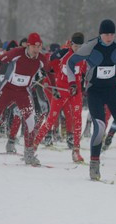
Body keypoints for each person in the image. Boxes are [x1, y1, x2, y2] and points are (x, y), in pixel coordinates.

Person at [67, 19, 116, 180]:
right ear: (100, 34)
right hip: (95, 90)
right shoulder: (91, 46)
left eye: (111, 34)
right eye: (106, 34)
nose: (109, 37)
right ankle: (94, 166)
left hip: (112, 89)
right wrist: (72, 82)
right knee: (100, 127)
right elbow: (71, 61)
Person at [0, 33, 55, 165]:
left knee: (30, 121)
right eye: (34, 47)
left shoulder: (41, 58)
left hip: (23, 92)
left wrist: (53, 86)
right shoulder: (17, 52)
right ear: (28, 45)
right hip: (8, 89)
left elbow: (50, 70)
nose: (37, 50)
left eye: (39, 47)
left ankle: (29, 154)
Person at [33, 33, 86, 162]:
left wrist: (84, 84)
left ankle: (76, 151)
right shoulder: (62, 54)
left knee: (77, 119)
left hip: (75, 91)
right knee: (51, 119)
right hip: (61, 89)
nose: (77, 49)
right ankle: (33, 146)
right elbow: (49, 66)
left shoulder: (84, 56)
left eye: (80, 46)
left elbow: (84, 72)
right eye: (75, 46)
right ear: (71, 44)